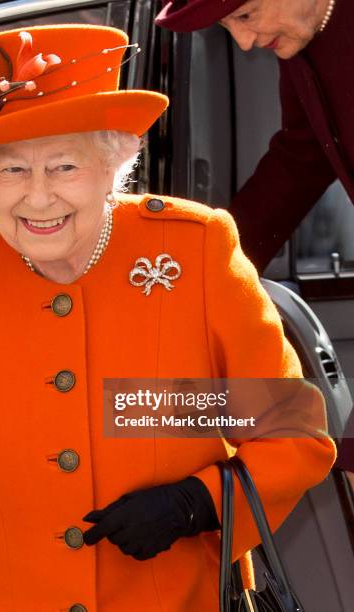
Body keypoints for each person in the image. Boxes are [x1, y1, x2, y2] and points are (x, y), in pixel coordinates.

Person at [0, 23, 335, 611]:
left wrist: (197, 502)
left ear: (113, 166)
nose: (37, 197)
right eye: (11, 170)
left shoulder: (192, 250)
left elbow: (294, 434)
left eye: (63, 167)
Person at [156, 0, 354, 497]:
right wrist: (212, 266)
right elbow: (302, 154)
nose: (245, 42)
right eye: (230, 26)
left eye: (246, 16)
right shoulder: (308, 39)